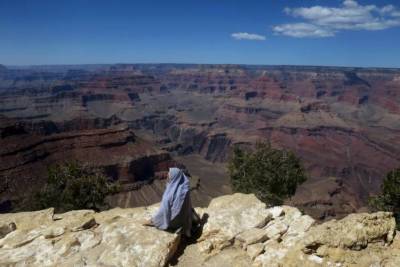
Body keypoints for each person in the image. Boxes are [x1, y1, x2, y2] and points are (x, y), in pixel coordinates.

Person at [143, 167, 200, 237]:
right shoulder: (185, 189)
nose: (167, 176)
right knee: (191, 210)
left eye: (169, 175)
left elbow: (164, 211)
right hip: (185, 220)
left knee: (159, 219)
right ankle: (189, 228)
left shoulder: (169, 194)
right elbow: (188, 206)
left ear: (174, 177)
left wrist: (154, 221)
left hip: (174, 223)